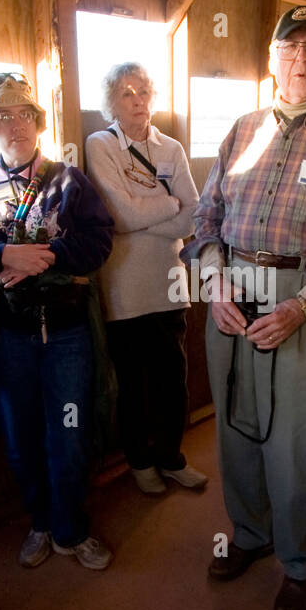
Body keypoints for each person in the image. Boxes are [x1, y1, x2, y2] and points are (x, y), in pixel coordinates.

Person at [182, 5, 306, 610]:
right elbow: (205, 215)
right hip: (232, 284)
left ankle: (298, 563)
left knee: (293, 441)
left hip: (302, 292)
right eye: (291, 48)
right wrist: (214, 282)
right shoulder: (240, 129)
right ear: (271, 60)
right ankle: (249, 534)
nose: (302, 60)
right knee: (235, 429)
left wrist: (304, 304)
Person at [0, 73, 114, 571]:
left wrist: (44, 256)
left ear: (38, 122)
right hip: (8, 340)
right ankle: (39, 522)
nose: (14, 124)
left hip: (67, 335)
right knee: (19, 439)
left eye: (23, 114)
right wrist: (3, 253)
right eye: (2, 116)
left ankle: (72, 530)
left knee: (71, 434)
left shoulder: (69, 180)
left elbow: (99, 242)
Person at [84, 62, 206, 496]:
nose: (136, 100)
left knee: (174, 380)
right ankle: (139, 461)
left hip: (169, 280)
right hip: (123, 284)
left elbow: (193, 217)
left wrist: (148, 213)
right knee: (133, 383)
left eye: (142, 92)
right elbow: (119, 214)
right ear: (111, 104)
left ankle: (171, 458)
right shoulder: (100, 144)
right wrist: (166, 205)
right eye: (125, 94)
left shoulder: (170, 146)